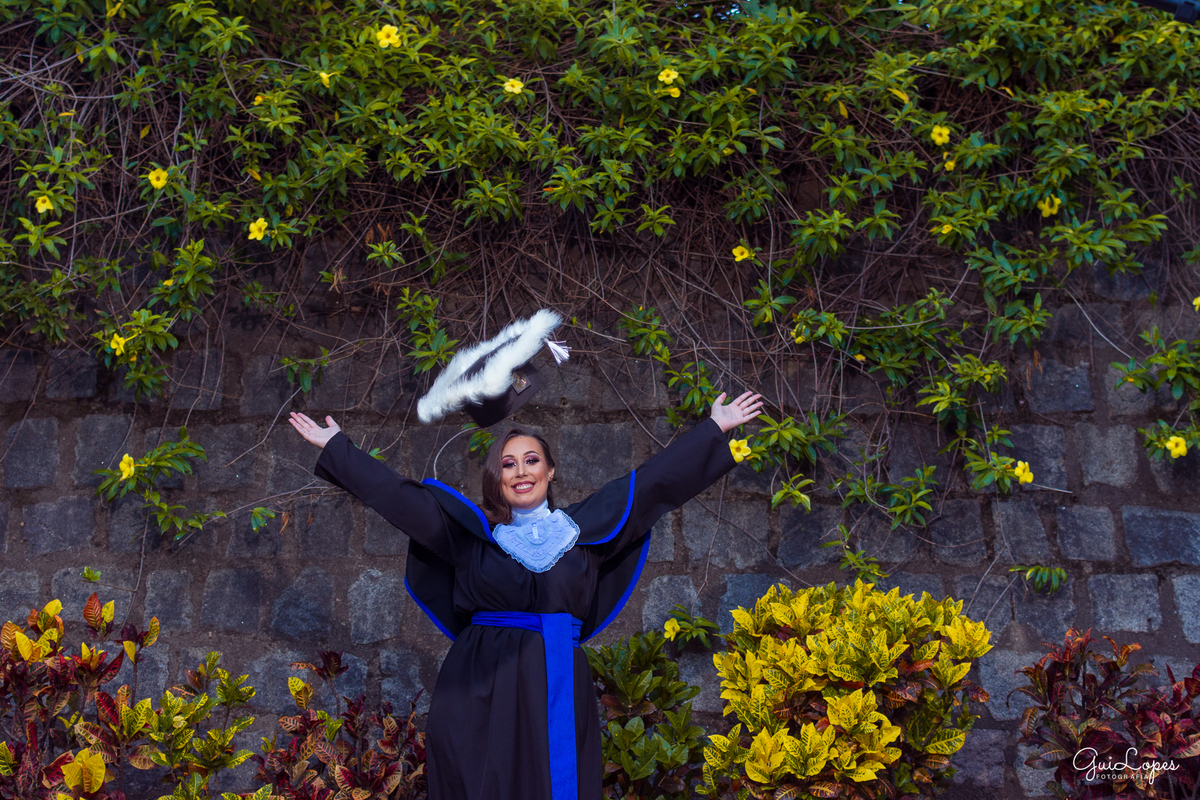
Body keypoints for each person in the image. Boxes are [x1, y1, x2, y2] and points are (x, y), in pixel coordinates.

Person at [287, 389, 762, 800]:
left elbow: (653, 483)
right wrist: (338, 450)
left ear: (551, 471)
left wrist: (714, 429)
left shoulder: (586, 531)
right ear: (497, 477)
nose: (520, 471)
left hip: (557, 684)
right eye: (508, 464)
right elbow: (400, 500)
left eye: (531, 460)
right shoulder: (473, 537)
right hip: (477, 689)